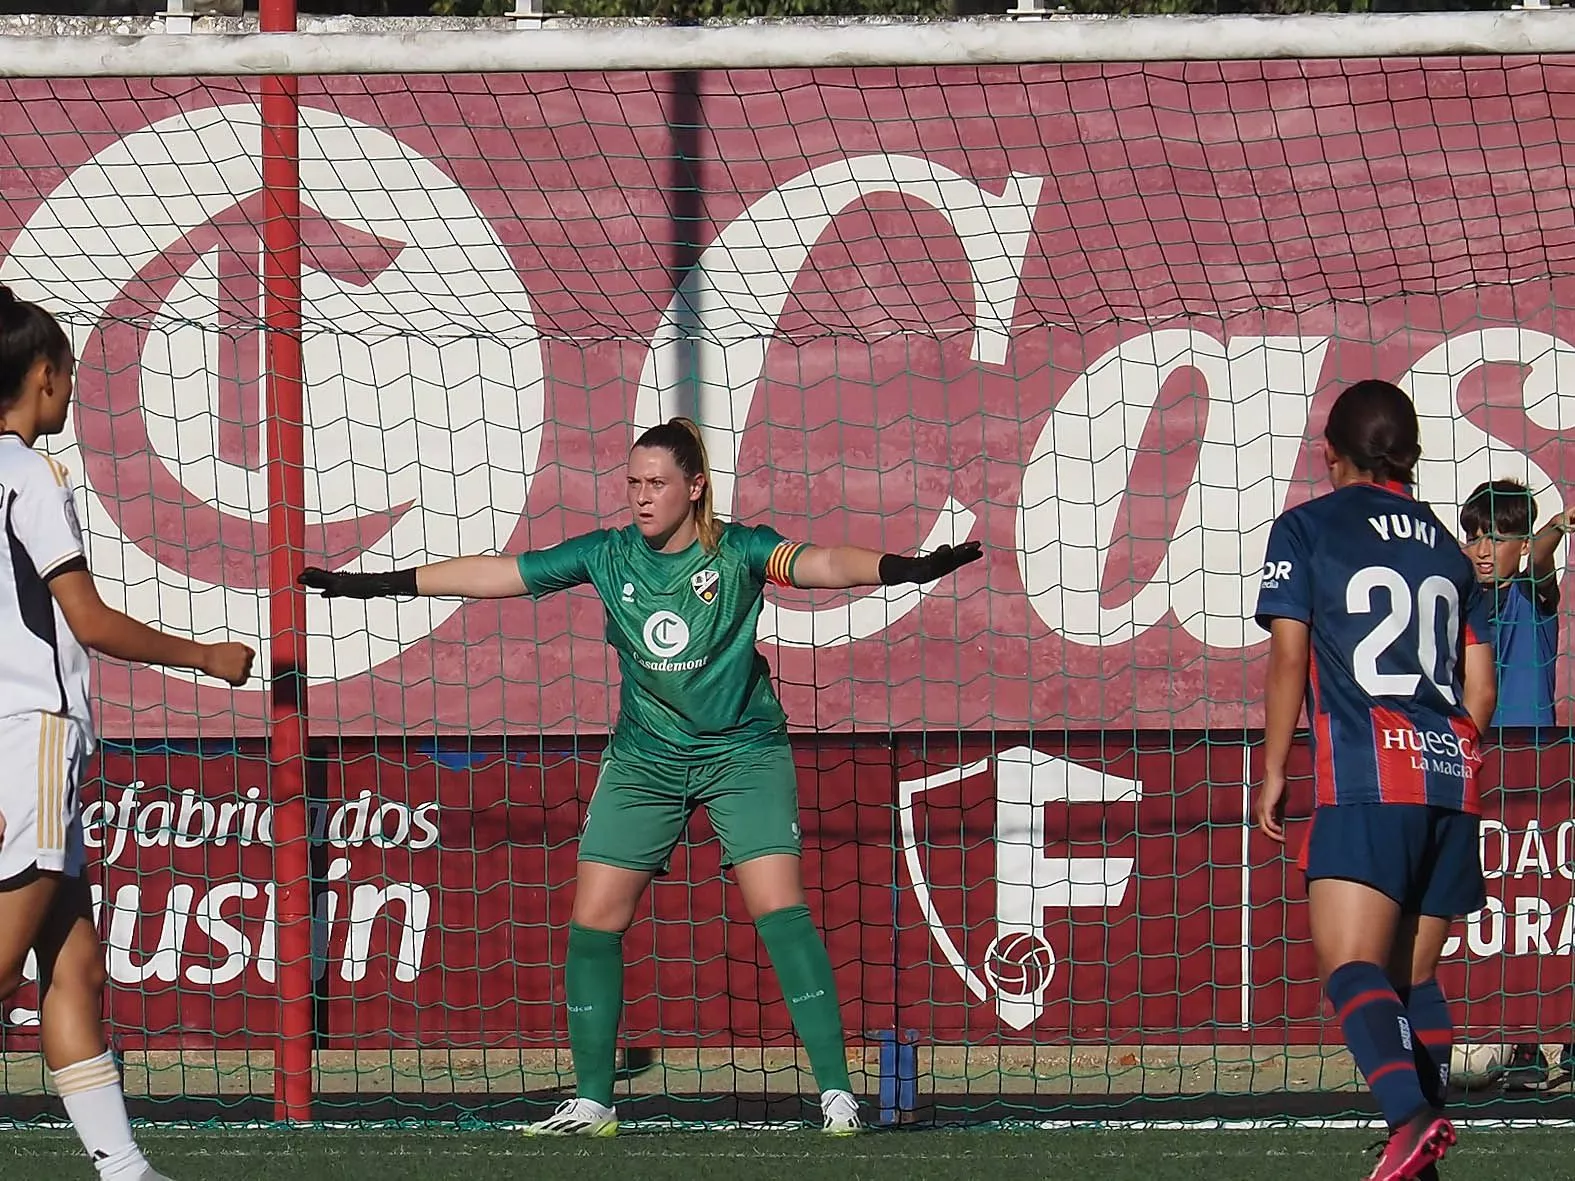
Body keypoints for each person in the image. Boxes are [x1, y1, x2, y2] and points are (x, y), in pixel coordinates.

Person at [298, 416, 981, 1136]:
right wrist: (379, 583)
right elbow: (501, 572)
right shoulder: (608, 555)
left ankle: (839, 1094)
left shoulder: (740, 549)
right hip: (644, 758)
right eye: (632, 483)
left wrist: (898, 568)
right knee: (594, 920)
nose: (641, 496)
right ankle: (594, 1100)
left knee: (779, 911)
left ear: (695, 487)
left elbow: (822, 562)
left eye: (656, 483)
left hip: (742, 753)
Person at [0, 286, 256, 1181]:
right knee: (2, 974)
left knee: (76, 970)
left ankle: (124, 1169)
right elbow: (91, 620)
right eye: (66, 373)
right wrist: (207, 654)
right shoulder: (27, 474)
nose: (69, 390)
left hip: (23, 740)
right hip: (31, 735)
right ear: (43, 376)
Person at [1253, 379, 1497, 1181]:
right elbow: (1479, 683)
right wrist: (1450, 750)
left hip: (1366, 774)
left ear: (1330, 453)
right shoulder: (1445, 546)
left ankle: (1409, 1116)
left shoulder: (1306, 528)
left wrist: (1272, 768)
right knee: (1414, 979)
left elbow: (1290, 653)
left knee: (1351, 967)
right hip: (1451, 778)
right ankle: (1420, 1158)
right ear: (1409, 453)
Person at [1457, 478, 1575, 1086]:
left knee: (1552, 904)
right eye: (1473, 535)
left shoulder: (1534, 591)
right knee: (1503, 908)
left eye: (1497, 536)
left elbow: (1546, 557)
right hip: (1477, 765)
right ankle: (1524, 1044)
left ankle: (1564, 1040)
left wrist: (1554, 529)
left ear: (1521, 542)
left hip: (1539, 771)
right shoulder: (1456, 605)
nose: (1482, 549)